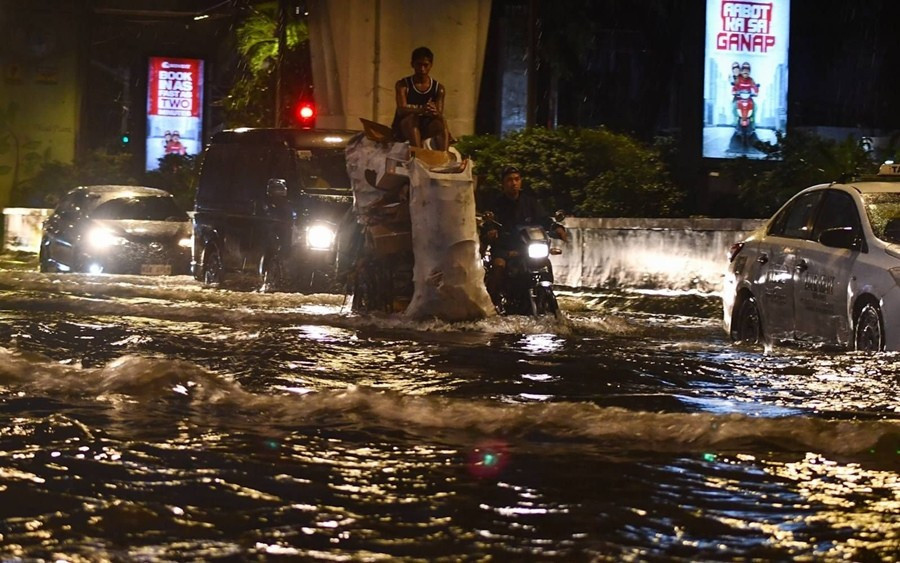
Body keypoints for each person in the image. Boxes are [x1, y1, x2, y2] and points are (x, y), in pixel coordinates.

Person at [480, 166, 567, 306]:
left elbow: (544, 219)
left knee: (545, 263)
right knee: (498, 267)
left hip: (527, 247)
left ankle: (545, 296)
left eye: (516, 179)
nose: (514, 183)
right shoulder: (497, 203)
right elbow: (488, 222)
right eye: (509, 180)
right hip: (505, 249)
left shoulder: (530, 202)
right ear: (502, 184)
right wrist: (491, 230)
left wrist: (556, 228)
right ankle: (491, 305)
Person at [391, 46, 449, 150]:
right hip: (404, 129)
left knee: (441, 121)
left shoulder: (438, 88)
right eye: (419, 64)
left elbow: (440, 113)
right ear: (412, 64)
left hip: (425, 128)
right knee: (412, 119)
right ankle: (418, 154)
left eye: (425, 65)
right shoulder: (403, 85)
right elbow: (401, 110)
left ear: (431, 65)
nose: (422, 69)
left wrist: (435, 112)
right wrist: (421, 110)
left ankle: (445, 155)